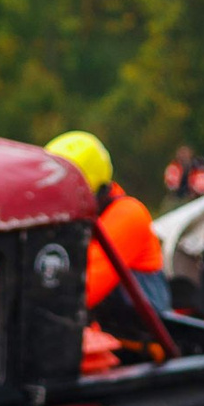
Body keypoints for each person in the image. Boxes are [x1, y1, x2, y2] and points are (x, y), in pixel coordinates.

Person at [49, 130, 170, 314]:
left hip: (140, 335)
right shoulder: (78, 216)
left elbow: (82, 293)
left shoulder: (128, 214)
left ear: (92, 190)